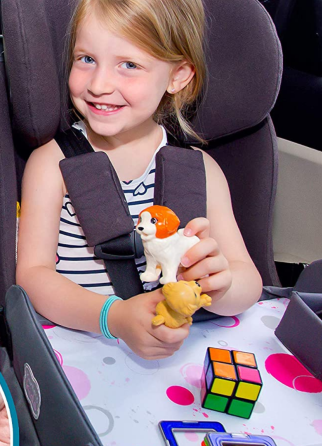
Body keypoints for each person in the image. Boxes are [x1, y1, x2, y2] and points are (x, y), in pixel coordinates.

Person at [16, 0, 263, 360]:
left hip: (182, 358)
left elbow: (249, 282)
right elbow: (32, 275)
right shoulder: (52, 164)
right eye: (86, 59)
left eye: (129, 65)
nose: (99, 84)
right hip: (80, 350)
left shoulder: (201, 170)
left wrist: (222, 286)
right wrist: (113, 317)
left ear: (178, 76)